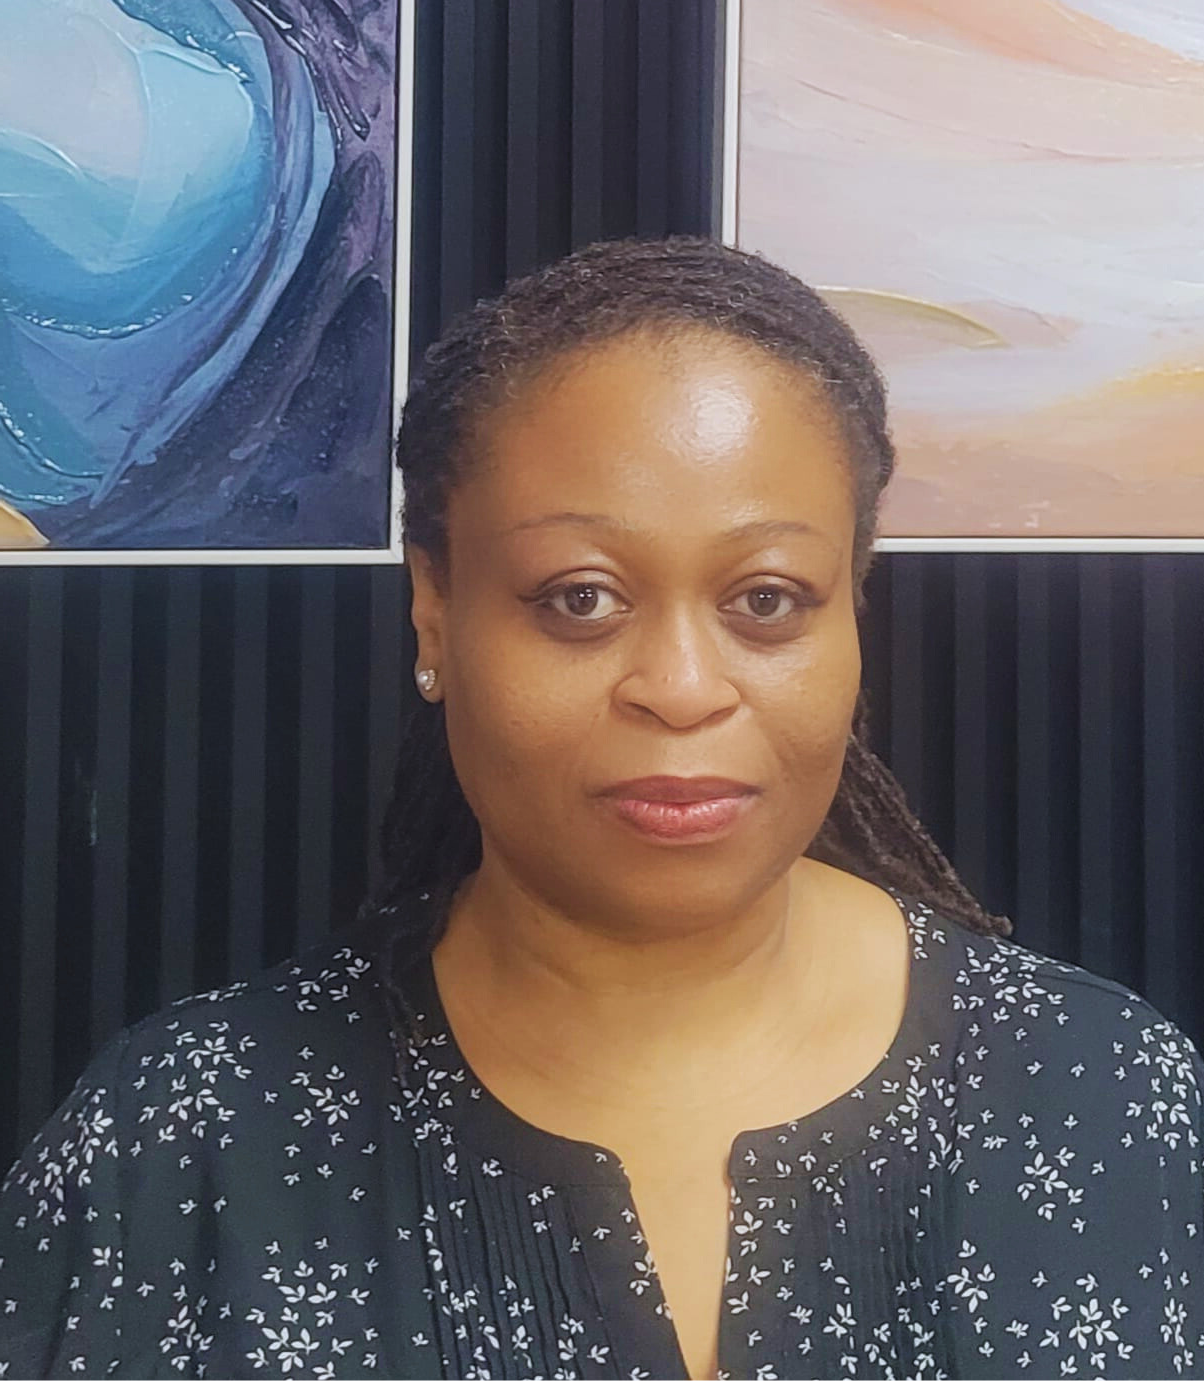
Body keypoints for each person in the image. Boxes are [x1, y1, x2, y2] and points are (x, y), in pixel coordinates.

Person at [1, 236, 1201, 1381]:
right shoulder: (185, 1143)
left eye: (767, 599)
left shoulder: (1104, 1092)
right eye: (580, 597)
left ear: (852, 611)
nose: (680, 688)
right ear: (434, 611)